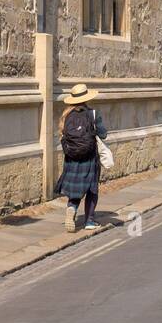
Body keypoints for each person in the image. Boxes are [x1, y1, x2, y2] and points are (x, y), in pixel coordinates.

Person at [55, 83, 108, 232]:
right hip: (89, 157)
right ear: (86, 98)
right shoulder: (92, 113)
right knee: (91, 189)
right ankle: (89, 221)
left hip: (72, 158)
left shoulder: (66, 115)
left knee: (75, 187)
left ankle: (72, 207)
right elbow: (103, 134)